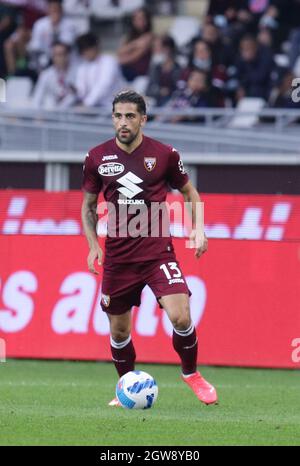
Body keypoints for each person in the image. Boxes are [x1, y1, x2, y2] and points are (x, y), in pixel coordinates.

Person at [81, 90, 218, 406]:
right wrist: (93, 246)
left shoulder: (165, 154)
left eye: (130, 116)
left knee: (181, 317)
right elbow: (88, 207)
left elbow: (190, 193)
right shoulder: (96, 158)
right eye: (118, 115)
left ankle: (191, 374)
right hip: (118, 256)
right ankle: (126, 386)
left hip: (157, 250)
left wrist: (198, 230)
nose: (123, 122)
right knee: (118, 331)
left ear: (143, 119)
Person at [75, 32, 123, 108]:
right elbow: (81, 90)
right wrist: (76, 94)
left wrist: (86, 104)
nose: (86, 53)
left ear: (96, 47)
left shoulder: (109, 61)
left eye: (88, 49)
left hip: (112, 106)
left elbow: (103, 85)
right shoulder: (82, 67)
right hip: (91, 108)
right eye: (83, 51)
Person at [28, 0, 77, 71]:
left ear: (61, 10)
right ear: (48, 10)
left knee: (60, 54)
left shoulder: (70, 25)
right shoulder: (39, 24)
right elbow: (35, 45)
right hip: (45, 58)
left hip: (63, 59)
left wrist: (54, 27)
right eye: (52, 8)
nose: (54, 11)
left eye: (57, 9)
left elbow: (65, 45)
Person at [32, 41, 77, 108]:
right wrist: (37, 115)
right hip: (52, 114)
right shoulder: (46, 74)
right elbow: (37, 97)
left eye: (62, 54)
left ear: (68, 55)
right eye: (56, 55)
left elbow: (76, 95)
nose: (59, 58)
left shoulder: (77, 72)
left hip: (72, 113)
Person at [117, 7, 153, 82]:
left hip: (137, 73)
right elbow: (120, 51)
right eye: (136, 19)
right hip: (125, 69)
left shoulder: (149, 36)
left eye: (142, 18)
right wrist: (135, 43)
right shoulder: (128, 36)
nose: (139, 21)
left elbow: (134, 56)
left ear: (147, 20)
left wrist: (121, 60)